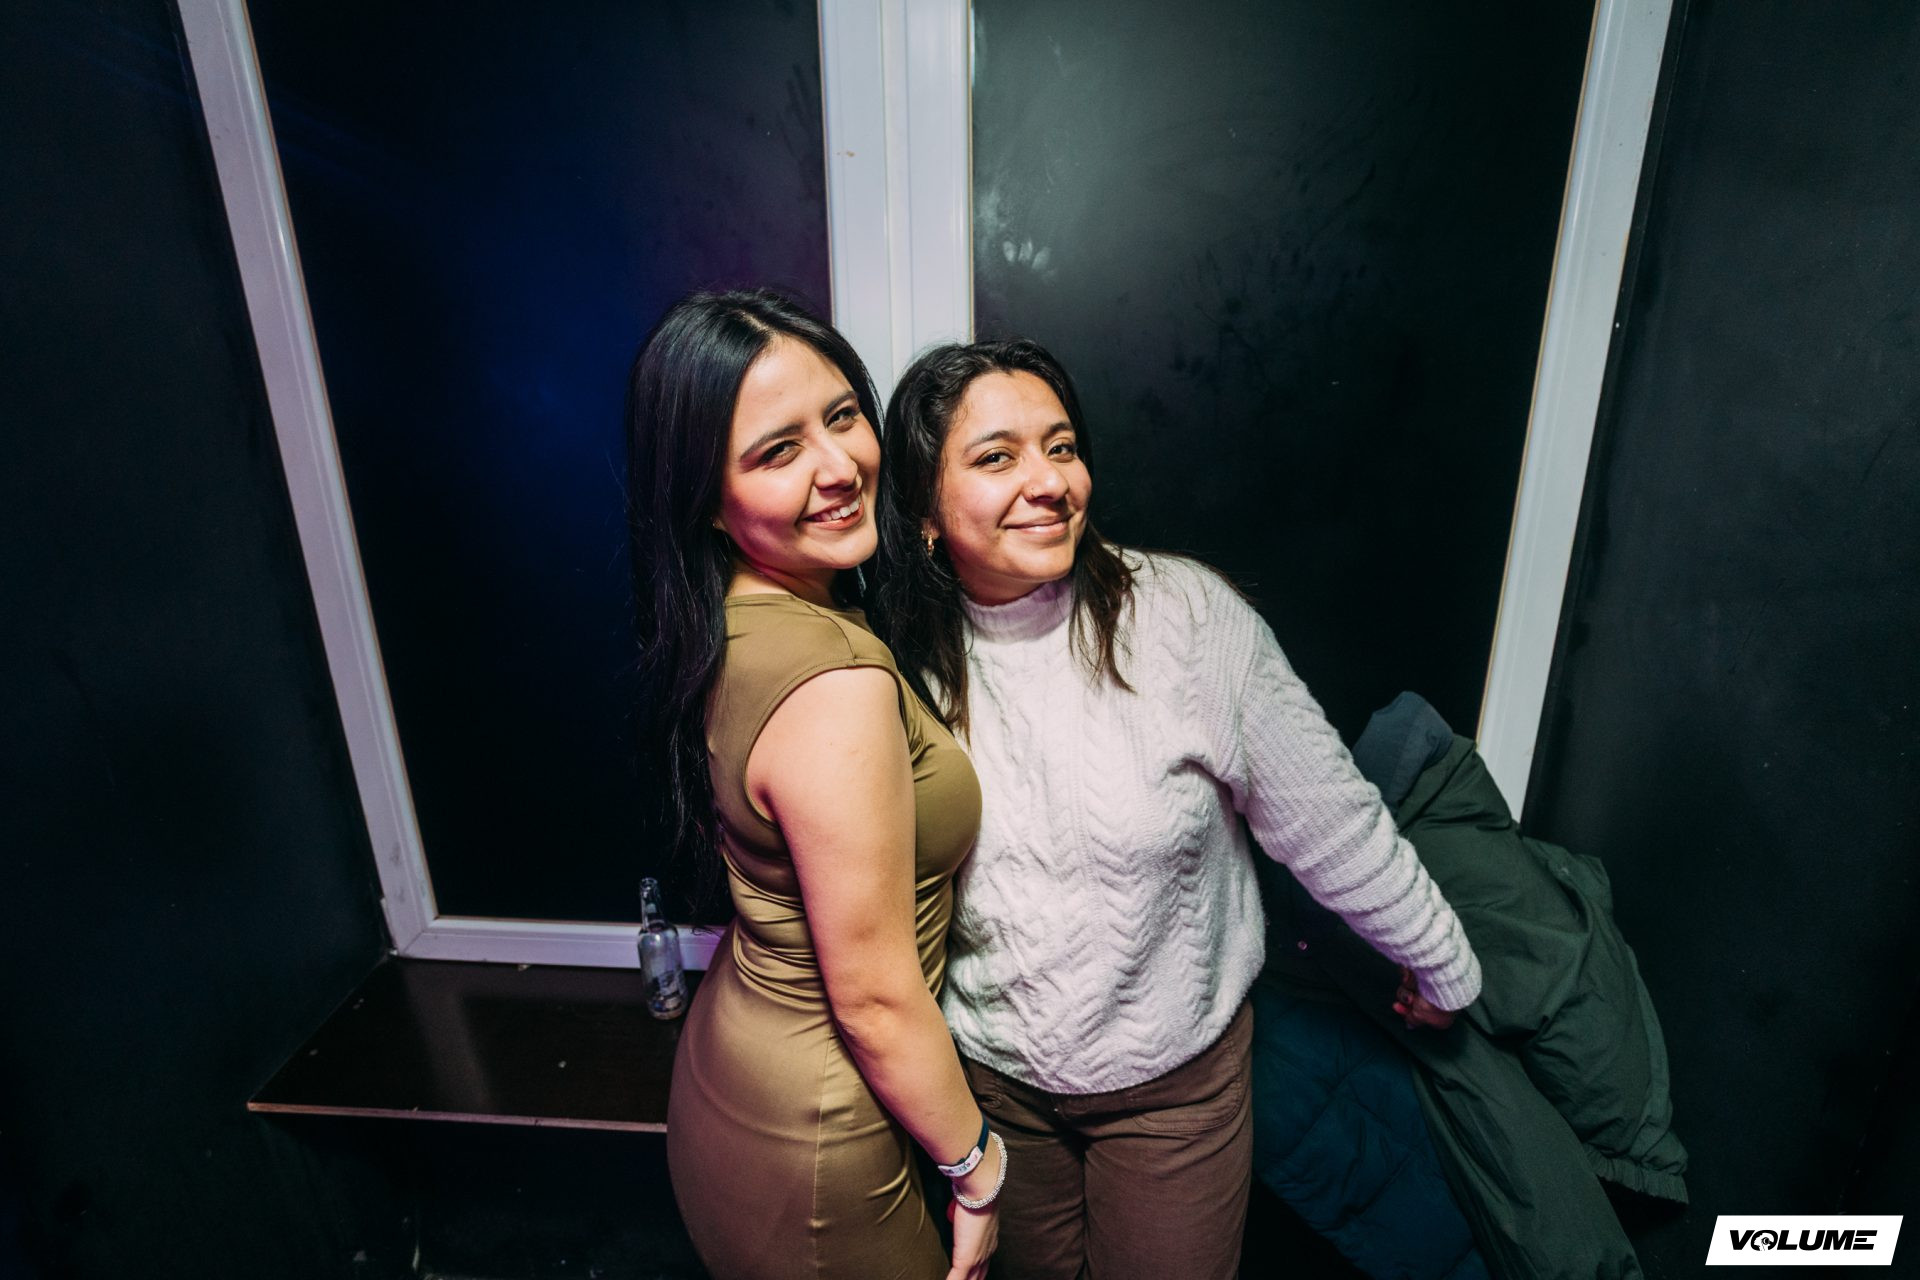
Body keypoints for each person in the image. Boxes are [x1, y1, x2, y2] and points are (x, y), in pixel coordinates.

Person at [869, 338, 1483, 1279]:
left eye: (1062, 446)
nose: (1049, 481)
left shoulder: (1186, 619)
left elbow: (1330, 820)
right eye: (997, 457)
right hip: (991, 1091)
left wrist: (1438, 960)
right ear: (922, 512)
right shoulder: (896, 661)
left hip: (1173, 1094)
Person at [627, 290, 1002, 1280]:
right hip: (822, 1132)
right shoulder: (832, 684)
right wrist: (978, 1167)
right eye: (777, 451)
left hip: (733, 1070)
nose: (838, 467)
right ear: (707, 498)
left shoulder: (730, 618)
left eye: (842, 416)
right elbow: (874, 996)